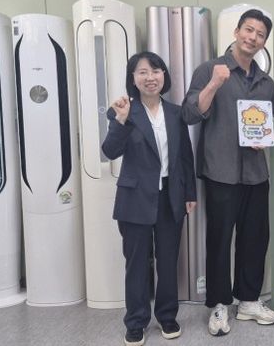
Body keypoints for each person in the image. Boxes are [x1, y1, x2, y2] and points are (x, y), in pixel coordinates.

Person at [182, 9, 274, 336]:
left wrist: (266, 139)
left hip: (256, 173)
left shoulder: (266, 83)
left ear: (264, 42)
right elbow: (190, 114)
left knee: (255, 238)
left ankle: (249, 300)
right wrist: (214, 84)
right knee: (220, 239)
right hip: (220, 171)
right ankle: (219, 304)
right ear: (237, 31)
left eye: (260, 34)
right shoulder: (210, 70)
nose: (253, 37)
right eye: (248, 30)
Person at [102, 51, 197, 346]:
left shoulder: (176, 113)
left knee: (167, 261)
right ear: (133, 79)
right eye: (142, 72)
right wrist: (120, 121)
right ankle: (136, 321)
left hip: (170, 197)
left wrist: (190, 193)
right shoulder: (123, 111)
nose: (150, 77)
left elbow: (185, 157)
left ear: (164, 76)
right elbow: (110, 151)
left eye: (155, 71)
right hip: (135, 199)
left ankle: (167, 316)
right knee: (137, 264)